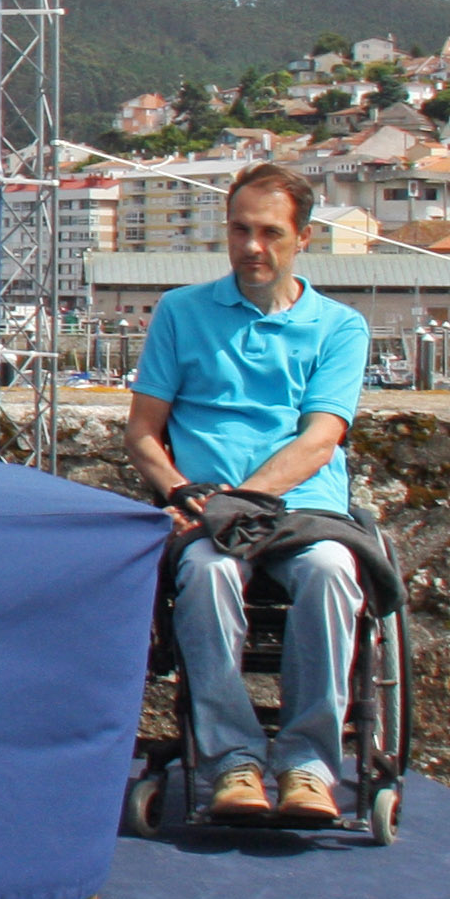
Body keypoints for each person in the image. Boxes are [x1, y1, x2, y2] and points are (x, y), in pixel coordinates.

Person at [124, 162, 371, 826]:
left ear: (302, 238)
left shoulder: (340, 328)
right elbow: (144, 434)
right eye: (239, 230)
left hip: (303, 513)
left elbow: (321, 439)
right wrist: (180, 491)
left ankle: (307, 768)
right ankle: (232, 761)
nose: (252, 247)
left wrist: (242, 500)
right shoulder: (181, 312)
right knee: (205, 577)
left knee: (331, 574)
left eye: (269, 232)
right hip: (208, 516)